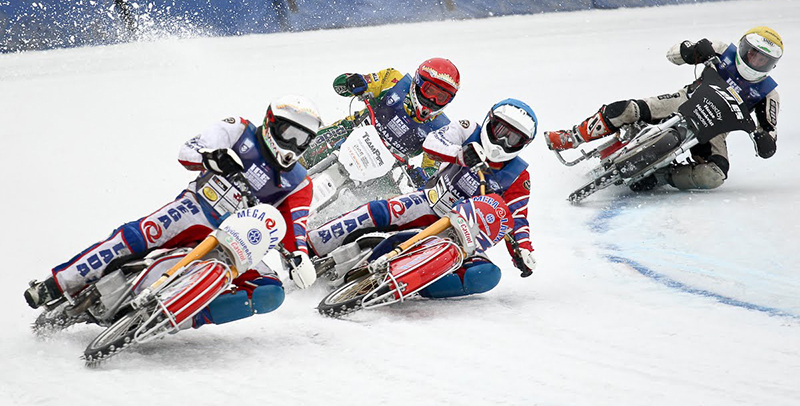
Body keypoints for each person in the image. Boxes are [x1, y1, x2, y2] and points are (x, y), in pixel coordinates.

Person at [24, 95, 322, 328]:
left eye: (302, 139)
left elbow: (295, 228)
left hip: (238, 245)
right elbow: (188, 150)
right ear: (270, 122)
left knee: (271, 292)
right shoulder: (238, 129)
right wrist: (212, 159)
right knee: (137, 236)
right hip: (194, 211)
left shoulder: (299, 183)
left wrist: (299, 257)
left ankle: (182, 318)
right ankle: (56, 284)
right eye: (289, 133)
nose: (293, 145)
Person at [307, 99, 538, 298]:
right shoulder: (467, 130)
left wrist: (523, 251)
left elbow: (516, 217)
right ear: (489, 121)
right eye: (501, 132)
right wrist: (458, 154)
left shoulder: (519, 175)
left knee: (486, 275)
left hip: (462, 233)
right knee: (377, 211)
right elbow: (432, 143)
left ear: (523, 145)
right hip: (430, 202)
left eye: (513, 139)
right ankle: (311, 245)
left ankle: (410, 284)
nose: (503, 143)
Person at [544, 26, 783, 191]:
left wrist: (764, 140)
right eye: (752, 54)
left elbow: (770, 137)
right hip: (686, 99)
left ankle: (663, 176)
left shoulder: (768, 93)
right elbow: (673, 54)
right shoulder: (722, 49)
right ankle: (572, 136)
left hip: (715, 130)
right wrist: (691, 49)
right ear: (743, 47)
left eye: (763, 60)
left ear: (771, 65)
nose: (755, 62)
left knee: (714, 175)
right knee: (629, 109)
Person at [299, 57, 461, 180]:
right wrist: (353, 82)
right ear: (417, 83)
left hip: (382, 171)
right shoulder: (393, 80)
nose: (433, 100)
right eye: (429, 90)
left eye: (441, 97)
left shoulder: (441, 129)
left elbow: (433, 172)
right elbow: (339, 85)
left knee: (388, 216)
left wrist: (423, 176)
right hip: (347, 134)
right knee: (298, 155)